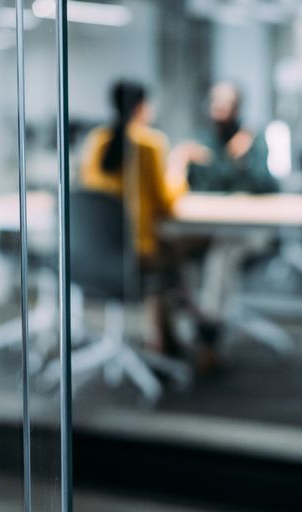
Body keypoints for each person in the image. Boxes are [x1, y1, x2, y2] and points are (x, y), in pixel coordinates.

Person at [80, 80, 203, 357]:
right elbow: (166, 203)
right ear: (141, 107)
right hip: (136, 252)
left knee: (169, 251)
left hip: (98, 252)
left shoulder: (96, 141)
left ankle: (164, 333)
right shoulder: (148, 143)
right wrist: (179, 164)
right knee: (180, 252)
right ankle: (181, 325)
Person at [184, 81, 279, 194]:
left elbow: (267, 185)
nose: (220, 106)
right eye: (215, 100)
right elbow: (198, 186)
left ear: (237, 107)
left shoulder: (252, 139)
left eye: (227, 102)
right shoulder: (202, 142)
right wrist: (183, 163)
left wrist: (245, 161)